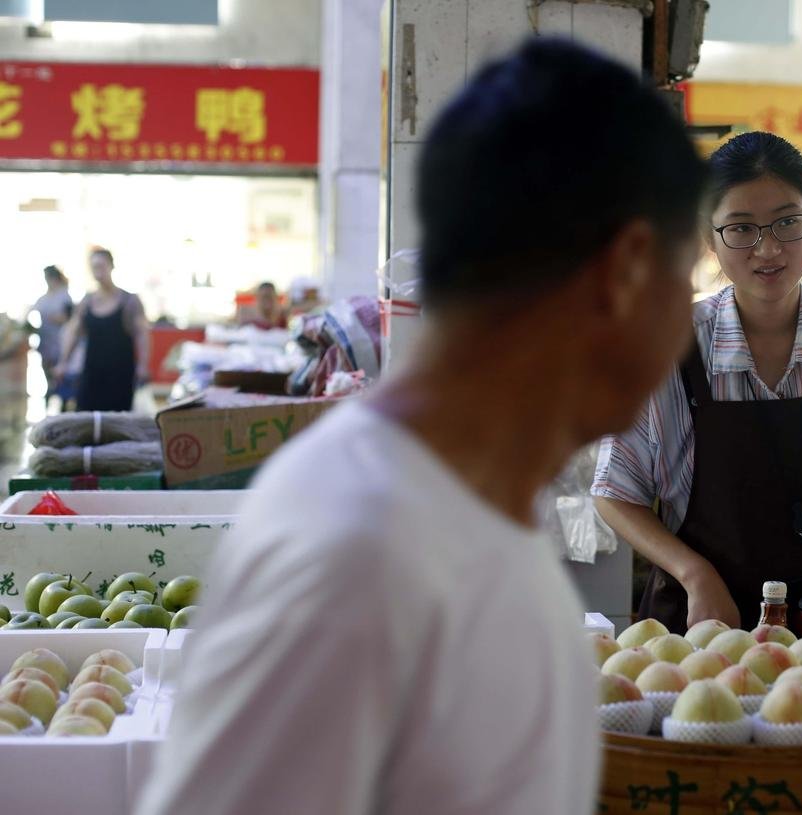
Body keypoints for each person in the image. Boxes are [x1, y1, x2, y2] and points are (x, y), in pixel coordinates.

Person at [135, 38, 706, 815]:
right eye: (690, 277)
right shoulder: (360, 559)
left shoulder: (471, 515)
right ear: (627, 270)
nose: (689, 325)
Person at [593, 132, 802, 634]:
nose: (768, 248)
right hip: (705, 629)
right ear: (709, 239)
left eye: (788, 222)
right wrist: (695, 573)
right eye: (741, 228)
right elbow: (615, 493)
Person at [57, 248, 150, 411]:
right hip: (92, 370)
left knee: (117, 420)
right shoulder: (87, 302)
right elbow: (73, 332)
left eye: (101, 266)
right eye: (94, 267)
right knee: (86, 415)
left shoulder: (129, 301)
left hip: (120, 372)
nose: (97, 271)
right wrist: (63, 362)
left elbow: (142, 334)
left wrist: (143, 365)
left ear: (111, 266)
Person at [30, 265, 73, 405]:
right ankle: (50, 398)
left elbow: (69, 317)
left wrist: (54, 318)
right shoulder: (44, 297)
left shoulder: (64, 295)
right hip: (46, 342)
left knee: (61, 375)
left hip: (60, 341)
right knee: (48, 375)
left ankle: (64, 402)